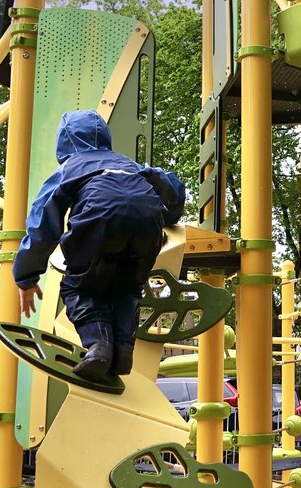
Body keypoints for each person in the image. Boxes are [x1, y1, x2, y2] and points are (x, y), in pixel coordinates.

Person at [13, 110, 185, 381]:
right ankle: (123, 352)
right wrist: (170, 215)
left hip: (99, 216)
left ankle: (99, 346)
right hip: (148, 223)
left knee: (81, 286)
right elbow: (171, 186)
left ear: (64, 142)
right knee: (128, 287)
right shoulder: (129, 164)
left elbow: (42, 223)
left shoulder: (70, 168)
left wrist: (26, 276)